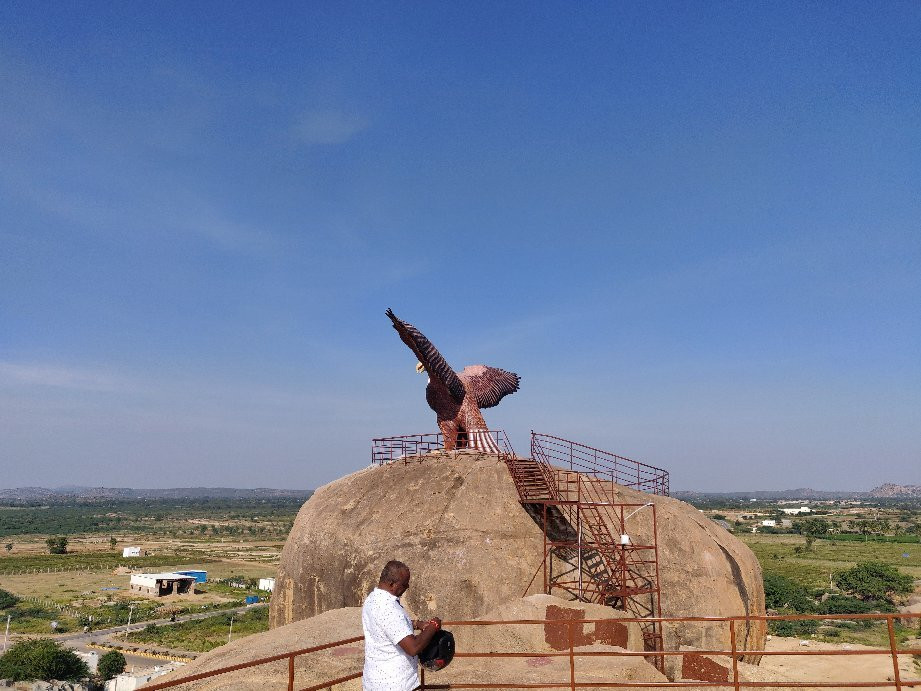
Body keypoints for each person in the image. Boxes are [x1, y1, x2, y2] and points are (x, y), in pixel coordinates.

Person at [362, 560, 442, 691]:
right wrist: (434, 624)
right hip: (395, 683)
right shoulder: (389, 608)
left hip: (374, 682)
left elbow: (387, 626)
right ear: (392, 584)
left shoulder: (373, 598)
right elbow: (413, 648)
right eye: (404, 584)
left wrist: (416, 624)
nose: (407, 587)